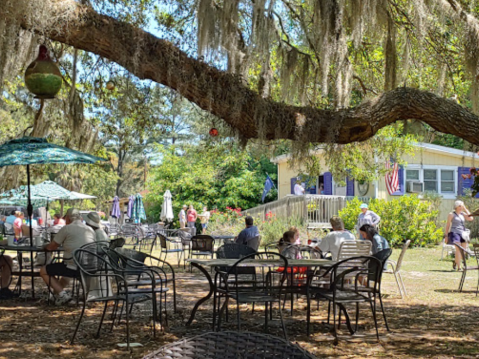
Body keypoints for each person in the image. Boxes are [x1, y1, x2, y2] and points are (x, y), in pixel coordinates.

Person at [39, 208, 95, 305]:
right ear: (80, 218)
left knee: (44, 271)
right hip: (90, 266)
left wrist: (45, 246)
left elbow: (52, 246)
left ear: (68, 218)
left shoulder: (67, 228)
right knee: (64, 271)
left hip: (74, 266)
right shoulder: (89, 229)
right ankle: (57, 295)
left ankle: (63, 296)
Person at [445, 200, 474, 271]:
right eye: (460, 206)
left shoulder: (462, 214)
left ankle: (455, 262)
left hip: (463, 233)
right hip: (455, 233)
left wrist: (465, 209)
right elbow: (448, 225)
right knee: (458, 249)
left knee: (463, 250)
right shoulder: (451, 214)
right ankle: (459, 267)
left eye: (462, 206)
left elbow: (471, 218)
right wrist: (446, 236)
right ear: (456, 206)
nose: (461, 207)